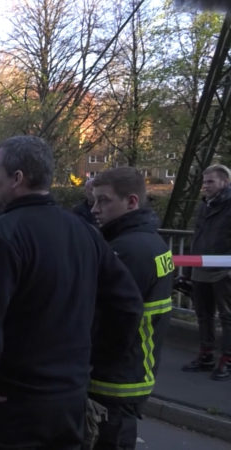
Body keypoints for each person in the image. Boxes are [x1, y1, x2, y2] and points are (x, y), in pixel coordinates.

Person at [0, 135, 142, 449]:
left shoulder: (2, 236)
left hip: (10, 405)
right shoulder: (84, 232)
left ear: (17, 179)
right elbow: (129, 305)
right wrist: (91, 362)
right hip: (68, 403)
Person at [89, 167, 174, 448]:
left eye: (104, 201)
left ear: (132, 202)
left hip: (112, 379)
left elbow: (109, 319)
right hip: (135, 371)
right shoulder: (153, 242)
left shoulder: (126, 251)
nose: (95, 209)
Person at [181, 164, 231, 380]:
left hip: (224, 268)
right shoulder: (205, 205)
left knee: (228, 317)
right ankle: (206, 355)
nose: (205, 186)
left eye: (210, 181)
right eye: (204, 181)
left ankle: (227, 359)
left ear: (224, 182)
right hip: (202, 267)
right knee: (204, 314)